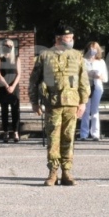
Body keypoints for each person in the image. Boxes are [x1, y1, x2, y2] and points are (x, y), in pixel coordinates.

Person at [28, 25, 90, 186]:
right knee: (53, 138)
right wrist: (34, 102)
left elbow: (83, 80)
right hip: (52, 103)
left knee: (69, 137)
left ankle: (67, 172)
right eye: (67, 38)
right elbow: (34, 80)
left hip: (72, 102)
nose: (71, 40)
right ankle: (53, 173)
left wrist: (83, 102)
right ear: (58, 38)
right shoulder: (45, 56)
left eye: (72, 38)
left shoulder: (77, 56)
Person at [80, 41, 108, 141]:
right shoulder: (83, 61)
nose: (93, 50)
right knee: (85, 111)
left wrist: (98, 76)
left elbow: (106, 78)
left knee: (95, 111)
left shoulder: (100, 62)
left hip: (97, 87)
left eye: (95, 48)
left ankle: (95, 134)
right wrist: (89, 74)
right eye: (91, 48)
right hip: (86, 87)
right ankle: (84, 134)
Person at [0, 38, 21, 142]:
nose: (7, 47)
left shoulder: (17, 59)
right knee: (4, 111)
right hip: (3, 87)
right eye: (6, 45)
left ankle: (15, 132)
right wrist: (6, 86)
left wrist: (13, 86)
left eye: (9, 45)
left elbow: (19, 74)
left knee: (15, 111)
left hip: (14, 87)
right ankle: (5, 132)